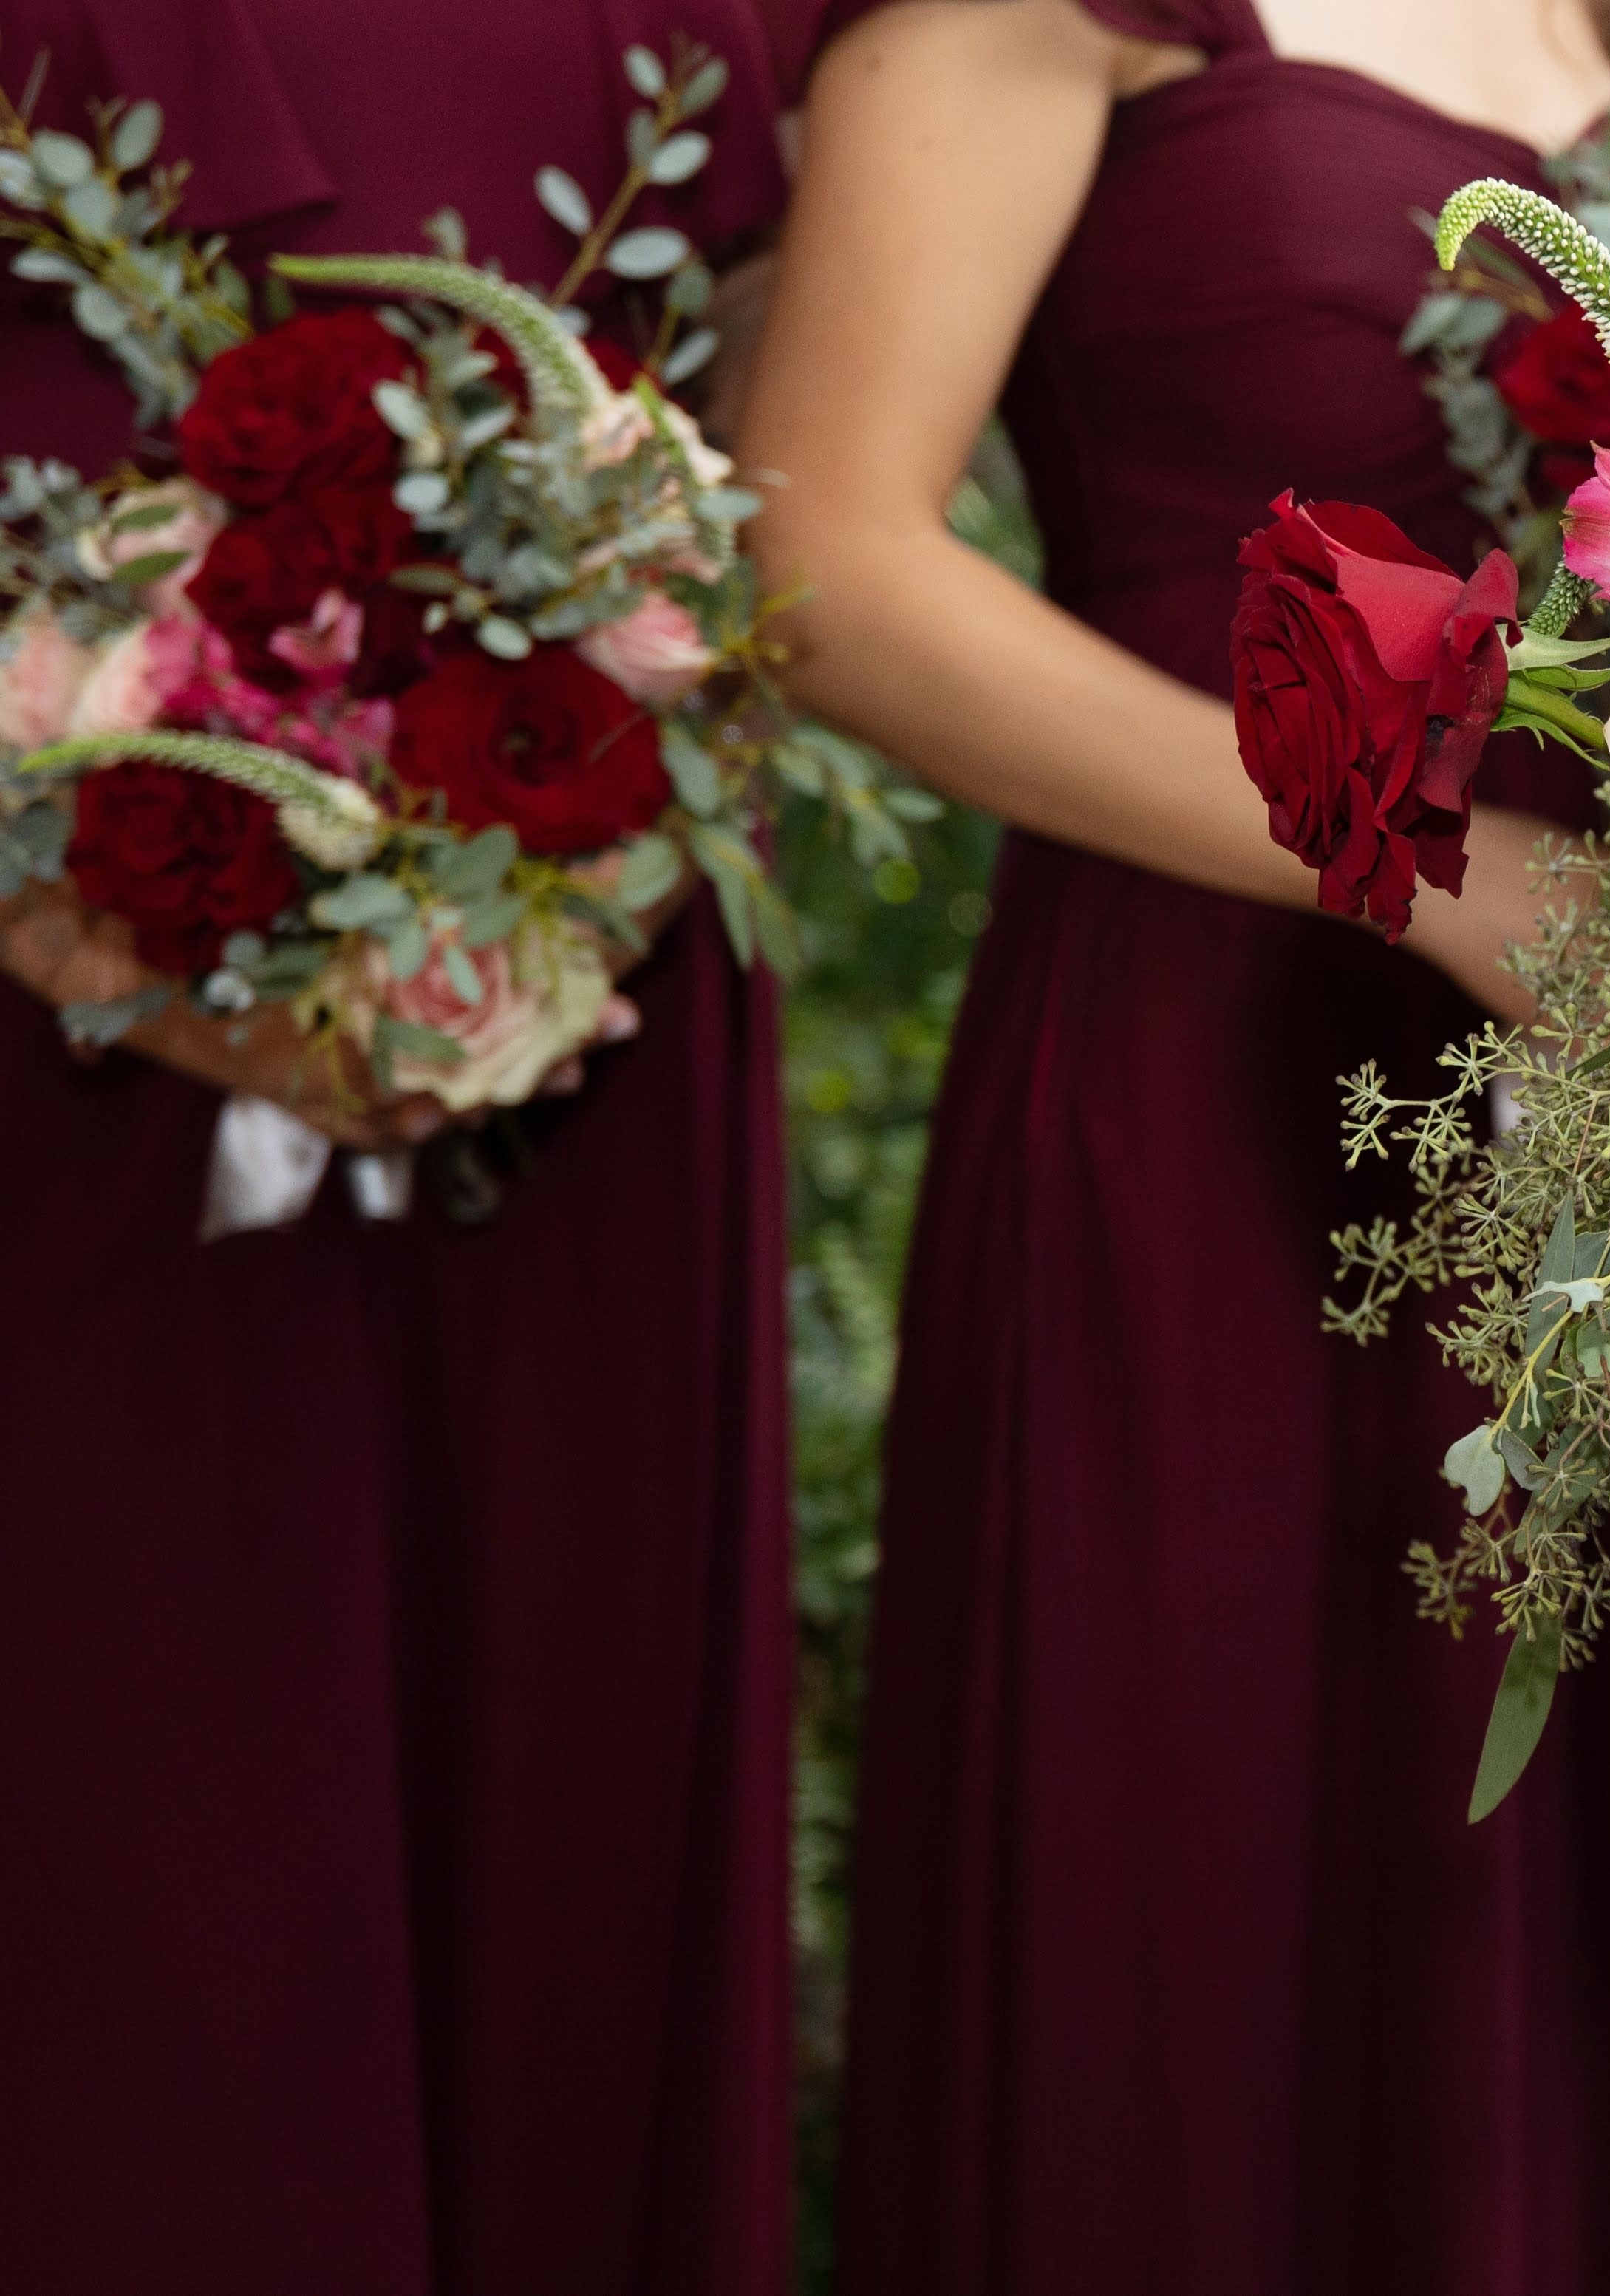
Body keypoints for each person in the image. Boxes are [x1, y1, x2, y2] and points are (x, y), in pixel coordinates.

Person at [743, 4, 1610, 2291]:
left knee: (1603, 1942)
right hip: (1208, 1093)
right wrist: (1442, 878)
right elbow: (825, 562)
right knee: (1200, 1904)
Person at [0, 5, 799, 2291]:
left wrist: (557, 886)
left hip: (561, 1043)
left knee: (539, 1859)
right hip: (59, 1085)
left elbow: (769, 440)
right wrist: (88, 921)